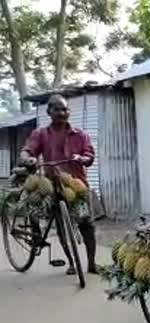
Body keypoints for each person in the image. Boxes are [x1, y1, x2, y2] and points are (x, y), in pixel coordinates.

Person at [19, 94, 98, 275]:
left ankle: (92, 263)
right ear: (49, 111)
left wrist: (82, 158)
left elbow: (90, 156)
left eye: (65, 109)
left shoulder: (80, 134)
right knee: (60, 224)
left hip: (77, 185)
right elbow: (27, 150)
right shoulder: (41, 134)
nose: (62, 113)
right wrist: (28, 159)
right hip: (52, 185)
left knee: (87, 224)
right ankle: (70, 261)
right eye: (58, 109)